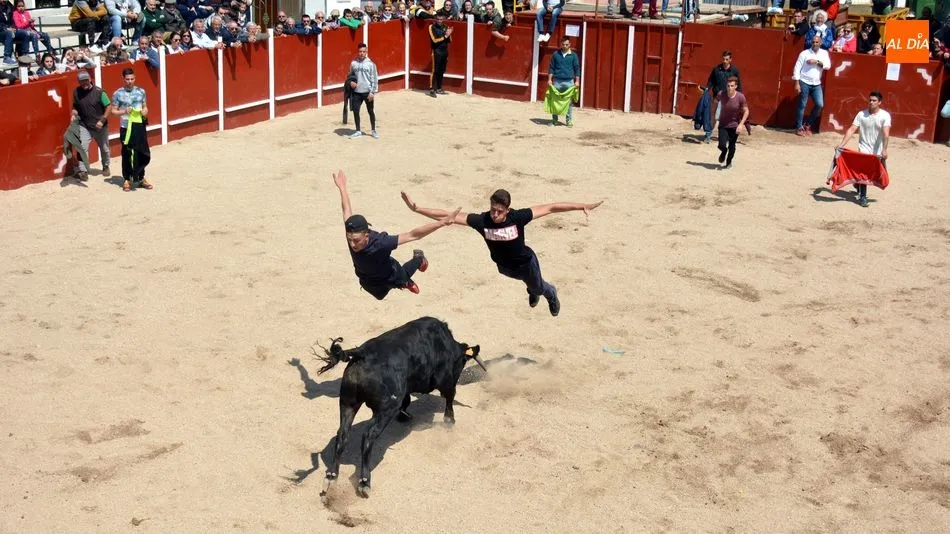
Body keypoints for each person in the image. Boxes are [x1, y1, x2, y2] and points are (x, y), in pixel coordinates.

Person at [400, 190, 603, 317]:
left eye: (499, 211)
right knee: (529, 284)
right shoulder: (483, 221)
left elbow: (551, 207)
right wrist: (417, 209)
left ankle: (550, 293)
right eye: (492, 209)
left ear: (507, 210)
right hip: (504, 268)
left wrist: (581, 206)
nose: (495, 214)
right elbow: (448, 215)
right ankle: (532, 289)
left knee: (538, 286)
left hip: (526, 263)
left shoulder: (518, 217)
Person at [332, 170, 460, 299]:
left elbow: (413, 235)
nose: (352, 244)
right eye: (349, 240)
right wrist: (342, 187)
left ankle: (419, 259)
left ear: (366, 235)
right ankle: (403, 282)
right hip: (368, 279)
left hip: (390, 273)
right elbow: (347, 211)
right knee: (380, 295)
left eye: (356, 240)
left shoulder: (381, 243)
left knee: (403, 278)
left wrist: (442, 223)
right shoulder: (351, 232)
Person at [835, 91, 890, 207]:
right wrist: (841, 145)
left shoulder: (885, 116)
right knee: (863, 173)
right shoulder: (861, 114)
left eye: (874, 101)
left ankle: (857, 183)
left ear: (880, 102)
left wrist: (884, 149)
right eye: (870, 100)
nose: (871, 102)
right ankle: (863, 197)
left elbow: (886, 133)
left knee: (875, 174)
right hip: (863, 149)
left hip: (877, 151)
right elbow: (851, 129)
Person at [111, 67, 153, 191]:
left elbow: (145, 107)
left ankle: (141, 177)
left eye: (132, 79)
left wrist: (144, 112)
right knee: (127, 152)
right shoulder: (117, 93)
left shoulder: (141, 91)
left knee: (141, 151)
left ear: (135, 78)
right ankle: (127, 179)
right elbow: (113, 111)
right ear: (123, 79)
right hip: (125, 127)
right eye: (127, 79)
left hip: (139, 126)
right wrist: (124, 111)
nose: (130, 81)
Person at [71, 69, 112, 182]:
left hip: (100, 125)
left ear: (90, 79)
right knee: (82, 147)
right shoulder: (76, 92)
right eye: (81, 81)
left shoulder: (100, 92)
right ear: (78, 82)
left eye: (85, 80)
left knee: (104, 148)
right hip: (85, 125)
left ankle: (105, 165)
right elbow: (75, 106)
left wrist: (102, 120)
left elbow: (108, 106)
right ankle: (83, 171)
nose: (84, 83)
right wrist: (74, 113)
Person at [698, 50, 742, 143]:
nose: (724, 61)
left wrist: (739, 96)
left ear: (730, 60)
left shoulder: (734, 71)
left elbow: (739, 84)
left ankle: (726, 137)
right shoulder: (717, 69)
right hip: (717, 96)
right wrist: (707, 89)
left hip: (729, 98)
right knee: (713, 116)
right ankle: (708, 135)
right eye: (723, 59)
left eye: (726, 59)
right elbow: (711, 81)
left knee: (728, 118)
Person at [792, 34, 831, 136]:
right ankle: (799, 127)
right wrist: (797, 82)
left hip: (816, 83)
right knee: (802, 105)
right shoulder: (804, 53)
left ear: (820, 43)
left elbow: (827, 66)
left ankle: (807, 124)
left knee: (819, 104)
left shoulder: (824, 53)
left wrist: (816, 62)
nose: (814, 44)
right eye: (813, 42)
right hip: (804, 81)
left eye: (817, 42)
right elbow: (797, 68)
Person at [545, 36, 580, 127]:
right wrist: (549, 79)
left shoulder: (573, 55)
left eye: (567, 44)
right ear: (561, 44)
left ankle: (568, 121)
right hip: (557, 81)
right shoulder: (556, 54)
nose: (565, 46)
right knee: (555, 101)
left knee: (569, 102)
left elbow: (577, 68)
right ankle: (554, 120)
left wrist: (577, 81)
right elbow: (551, 68)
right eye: (563, 44)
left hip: (569, 81)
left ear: (570, 45)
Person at [715, 76, 748, 170]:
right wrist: (714, 118)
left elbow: (746, 111)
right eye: (728, 86)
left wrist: (741, 124)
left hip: (734, 125)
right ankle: (723, 151)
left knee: (732, 146)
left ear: (736, 86)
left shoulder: (740, 97)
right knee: (721, 144)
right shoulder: (721, 94)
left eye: (732, 86)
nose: (729, 88)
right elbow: (715, 102)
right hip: (723, 124)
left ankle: (729, 162)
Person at [347, 42, 379, 139]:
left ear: (366, 52)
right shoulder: (353, 63)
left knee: (370, 111)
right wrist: (351, 82)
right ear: (358, 52)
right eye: (360, 51)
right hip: (356, 92)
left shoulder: (371, 64)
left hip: (367, 92)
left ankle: (373, 130)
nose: (362, 53)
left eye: (363, 51)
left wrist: (372, 92)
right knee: (356, 111)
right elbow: (349, 76)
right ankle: (358, 131)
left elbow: (375, 79)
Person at [428, 12, 453, 97]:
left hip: (444, 51)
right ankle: (432, 89)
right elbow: (434, 40)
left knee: (442, 70)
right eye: (438, 19)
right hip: (436, 50)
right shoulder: (432, 27)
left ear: (443, 19)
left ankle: (439, 88)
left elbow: (450, 41)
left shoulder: (446, 27)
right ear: (436, 19)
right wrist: (445, 36)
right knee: (435, 70)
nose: (439, 21)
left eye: (441, 19)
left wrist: (449, 34)